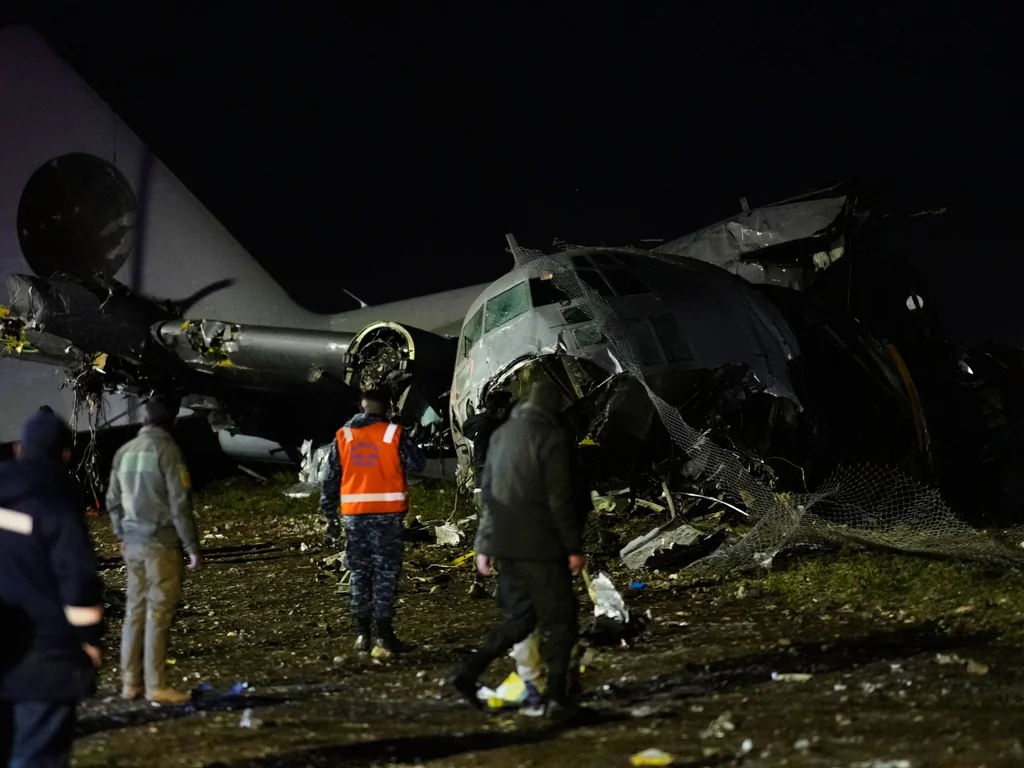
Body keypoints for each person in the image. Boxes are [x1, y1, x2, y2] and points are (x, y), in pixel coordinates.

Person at [448, 380, 590, 719]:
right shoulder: (550, 438)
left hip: (505, 544)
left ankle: (466, 673)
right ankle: (557, 695)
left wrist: (484, 545)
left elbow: (490, 494)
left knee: (522, 618)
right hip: (541, 545)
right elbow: (559, 499)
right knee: (561, 621)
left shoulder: (501, 436)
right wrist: (573, 547)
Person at [0, 406, 104, 768]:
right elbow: (77, 580)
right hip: (44, 656)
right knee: (36, 755)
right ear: (65, 454)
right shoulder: (56, 504)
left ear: (18, 448)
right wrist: (89, 639)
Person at [106, 395, 202, 704]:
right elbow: (180, 503)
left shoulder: (125, 451)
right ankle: (156, 685)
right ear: (171, 421)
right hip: (160, 544)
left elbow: (112, 502)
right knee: (159, 613)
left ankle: (130, 683)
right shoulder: (167, 450)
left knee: (134, 611)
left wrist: (122, 534)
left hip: (133, 545)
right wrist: (192, 546)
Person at [320, 389, 426, 654]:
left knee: (359, 573)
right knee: (385, 575)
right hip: (387, 518)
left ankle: (361, 635)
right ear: (387, 409)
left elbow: (329, 478)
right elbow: (417, 464)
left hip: (354, 517)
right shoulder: (393, 434)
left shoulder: (343, 436)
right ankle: (385, 636)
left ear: (361, 408)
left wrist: (329, 516)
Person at [461, 390, 513, 600]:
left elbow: (467, 425)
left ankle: (478, 582)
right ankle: (500, 585)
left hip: (479, 488)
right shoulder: (501, 429)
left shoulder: (478, 425)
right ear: (501, 410)